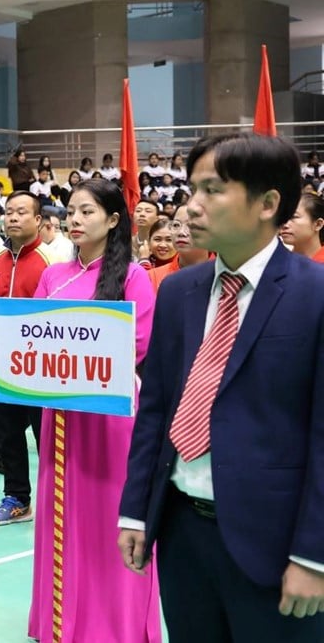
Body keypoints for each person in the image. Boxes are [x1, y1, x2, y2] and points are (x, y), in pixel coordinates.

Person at [119, 134, 324, 643]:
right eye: (192, 188)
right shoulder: (178, 292)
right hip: (183, 532)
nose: (191, 205)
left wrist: (313, 555)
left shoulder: (314, 294)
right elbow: (158, 410)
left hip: (276, 545)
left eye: (212, 190)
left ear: (268, 203)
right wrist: (136, 510)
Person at [28, 178, 160, 642]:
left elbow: (139, 343)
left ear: (112, 219)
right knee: (62, 518)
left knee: (109, 520)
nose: (75, 220)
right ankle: (61, 620)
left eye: (86, 211)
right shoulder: (52, 276)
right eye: (70, 211)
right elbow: (34, 338)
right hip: (60, 418)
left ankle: (113, 625)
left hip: (109, 419)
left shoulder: (133, 277)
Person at [0, 192, 52, 524]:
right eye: (8, 212)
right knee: (7, 435)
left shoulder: (51, 264)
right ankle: (17, 499)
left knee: (47, 438)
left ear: (38, 220)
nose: (12, 217)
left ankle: (57, 502)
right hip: (1, 367)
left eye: (21, 212)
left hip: (42, 371)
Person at [147, 204, 213, 292]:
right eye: (176, 225)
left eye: (191, 225)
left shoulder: (226, 277)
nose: (181, 232)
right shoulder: (152, 276)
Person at [280, 192, 324, 263]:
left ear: (318, 224)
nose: (285, 224)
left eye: (294, 217)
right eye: (283, 217)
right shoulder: (279, 261)